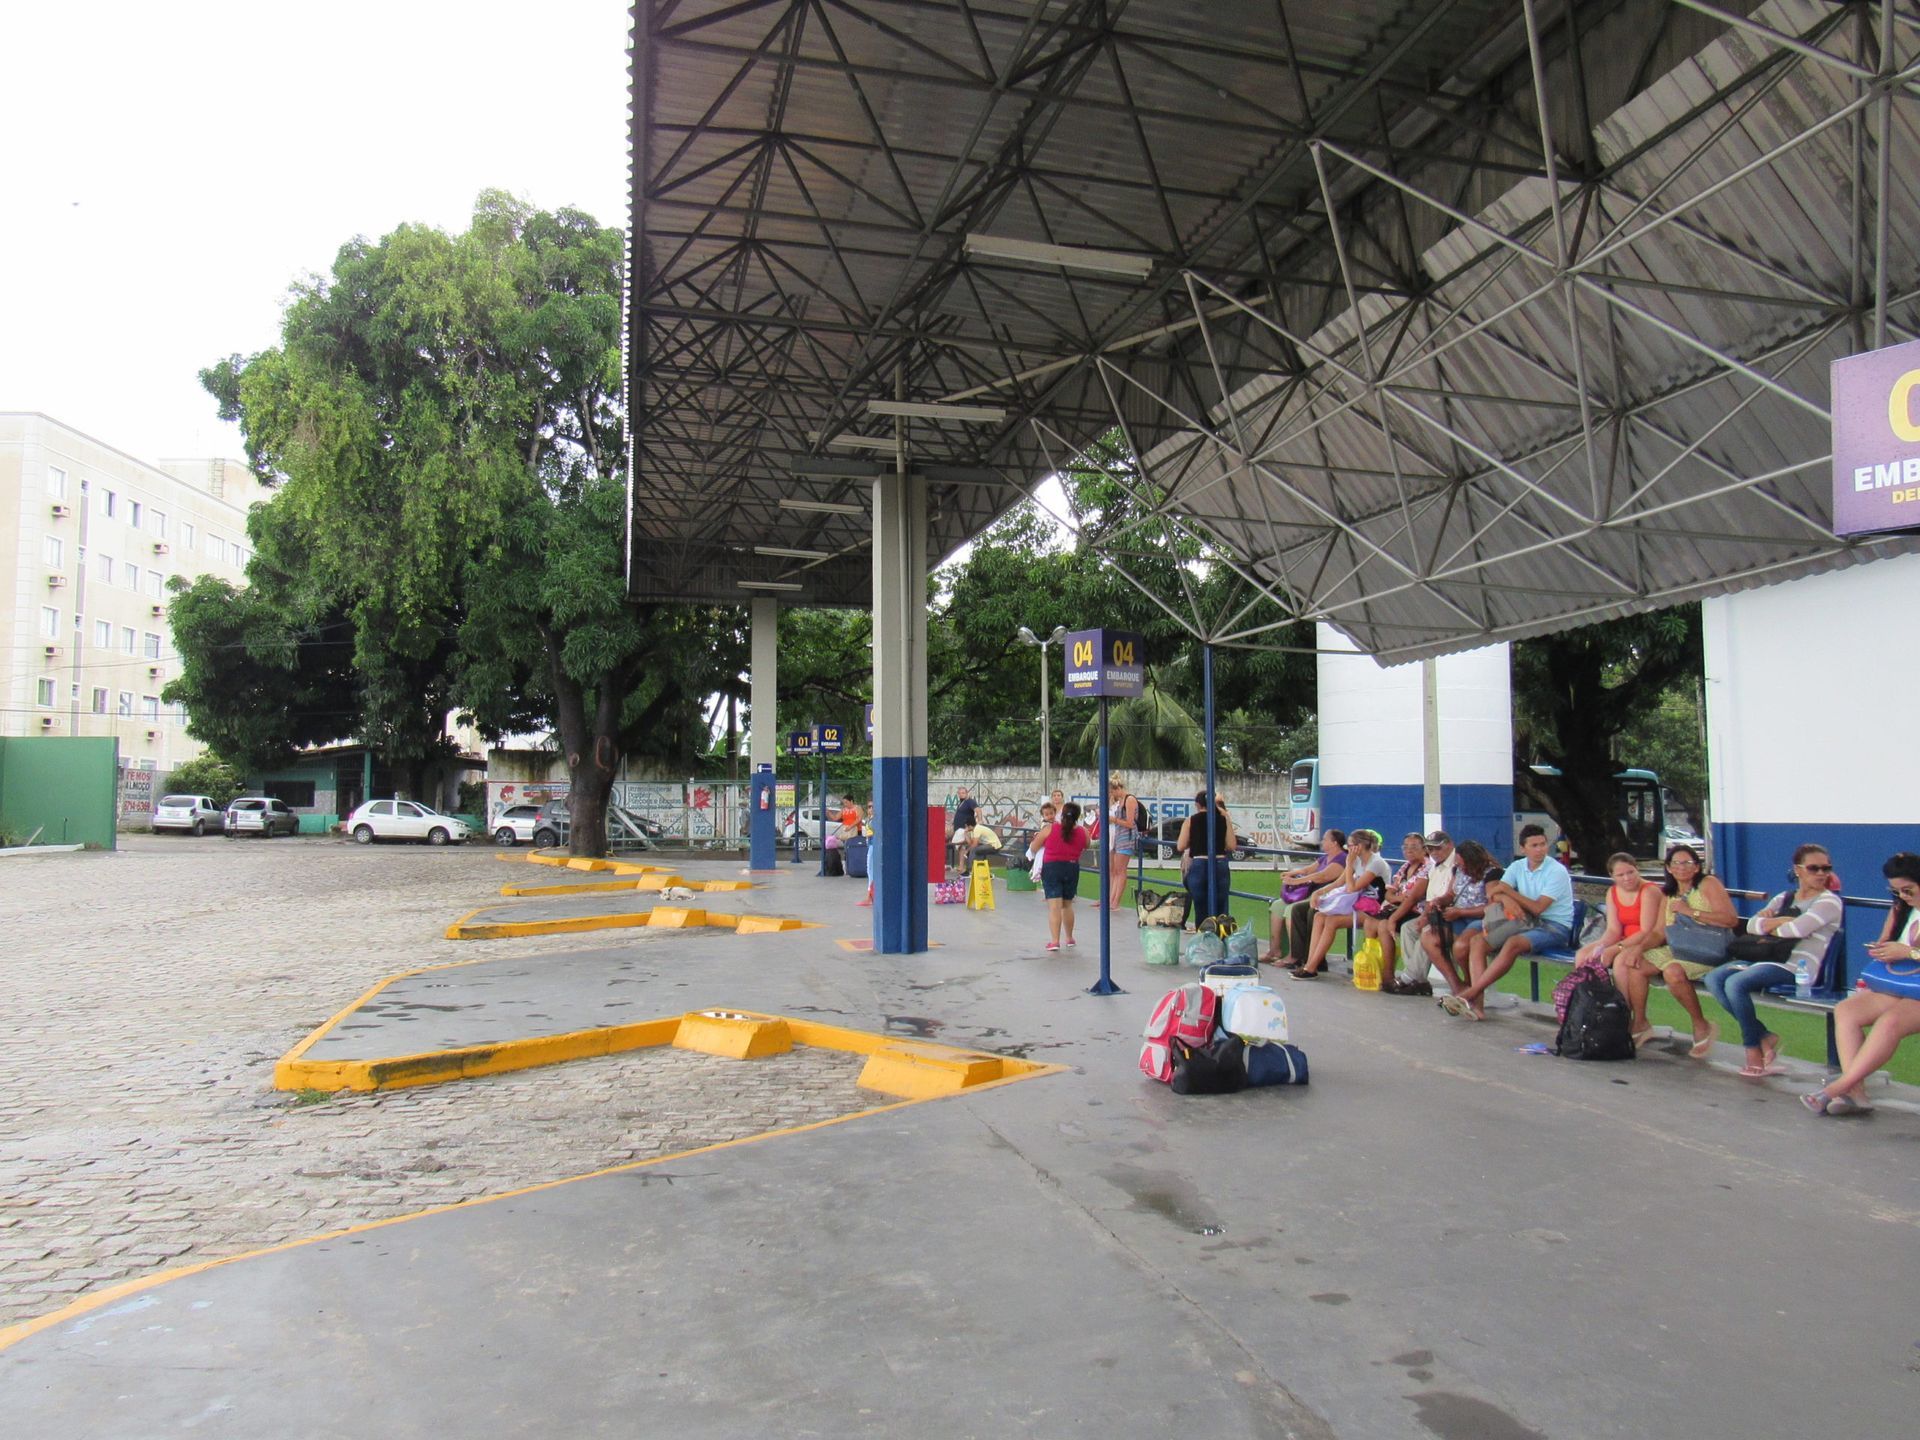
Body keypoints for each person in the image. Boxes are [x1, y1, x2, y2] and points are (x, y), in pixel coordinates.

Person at [1706, 844, 1843, 1076]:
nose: (1821, 873)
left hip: (1798, 966)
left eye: (1826, 868)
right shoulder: (1784, 897)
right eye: (1814, 868)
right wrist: (1779, 923)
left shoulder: (1829, 902)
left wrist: (1772, 924)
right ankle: (1763, 1036)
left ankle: (1753, 1051)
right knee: (1714, 978)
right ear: (1798, 870)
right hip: (1766, 956)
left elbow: (1798, 929)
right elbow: (1750, 925)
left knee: (1735, 983)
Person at [1804, 853, 1920, 1115]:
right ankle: (1856, 1093)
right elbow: (1885, 944)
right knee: (1846, 1010)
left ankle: (1840, 1086)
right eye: (1896, 891)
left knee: (1890, 1021)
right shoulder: (1901, 909)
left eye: (1908, 890)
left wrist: (1909, 952)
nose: (1903, 896)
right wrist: (1882, 950)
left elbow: (1906, 952)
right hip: (1900, 984)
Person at [1610, 843, 1736, 1054]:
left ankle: (1700, 1024)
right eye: (1676, 863)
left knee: (1672, 972)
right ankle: (1640, 1022)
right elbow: (1659, 932)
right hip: (1680, 948)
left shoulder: (1707, 884)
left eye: (1687, 863)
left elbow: (1730, 919)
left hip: (1708, 950)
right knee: (1634, 964)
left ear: (1697, 866)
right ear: (1668, 867)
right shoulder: (1669, 894)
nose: (1682, 868)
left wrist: (1691, 912)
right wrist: (1638, 949)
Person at [1440, 824, 1574, 1019]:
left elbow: (1538, 908)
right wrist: (1506, 899)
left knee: (1513, 944)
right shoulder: (1517, 866)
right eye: (1534, 845)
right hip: (1522, 920)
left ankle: (1470, 993)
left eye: (1543, 844)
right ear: (1523, 849)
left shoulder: (1556, 871)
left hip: (1552, 926)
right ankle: (1477, 1008)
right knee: (1477, 942)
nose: (1540, 850)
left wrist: (1508, 893)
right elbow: (1494, 892)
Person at [1292, 828, 1390, 979]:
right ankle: (1310, 964)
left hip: (1374, 909)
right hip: (1358, 905)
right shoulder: (1356, 860)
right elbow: (1339, 882)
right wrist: (1318, 893)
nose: (1348, 849)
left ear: (1359, 846)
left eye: (1350, 846)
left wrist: (1349, 864)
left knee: (1331, 922)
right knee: (1319, 917)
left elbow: (1352, 888)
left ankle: (1311, 968)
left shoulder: (1375, 863)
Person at [1260, 828, 1346, 964]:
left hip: (1324, 897)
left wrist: (1295, 881)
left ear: (1335, 843)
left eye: (1325, 839)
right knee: (1277, 906)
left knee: (1291, 909)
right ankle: (1275, 950)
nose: (1322, 841)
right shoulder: (1325, 857)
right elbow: (1308, 870)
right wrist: (1291, 873)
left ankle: (1294, 955)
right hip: (1309, 894)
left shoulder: (1342, 859)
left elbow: (1322, 876)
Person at [1421, 839, 1495, 996]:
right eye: (1458, 864)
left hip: (1479, 919)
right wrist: (1440, 901)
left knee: (1460, 948)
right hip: (1456, 917)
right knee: (1428, 938)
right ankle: (1457, 985)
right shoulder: (1458, 871)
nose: (1460, 867)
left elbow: (1492, 906)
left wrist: (1461, 912)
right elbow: (1451, 894)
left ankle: (1472, 985)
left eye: (1462, 864)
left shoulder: (1492, 874)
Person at [1363, 832, 1432, 991]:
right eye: (1405, 847)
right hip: (1398, 906)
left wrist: (1395, 911)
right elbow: (1389, 892)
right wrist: (1398, 898)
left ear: (1424, 849)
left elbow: (1413, 897)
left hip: (1415, 910)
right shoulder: (1405, 866)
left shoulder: (1427, 868)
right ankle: (1374, 968)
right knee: (1369, 923)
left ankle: (1390, 975)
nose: (1408, 850)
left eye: (1413, 847)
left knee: (1384, 925)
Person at [1034, 801, 1096, 951]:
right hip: (1071, 867)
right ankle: (1069, 938)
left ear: (1062, 814)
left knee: (1054, 907)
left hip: (1052, 867)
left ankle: (1055, 941)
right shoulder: (1082, 832)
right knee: (1067, 904)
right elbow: (1087, 845)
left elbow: (1034, 847)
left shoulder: (1050, 829)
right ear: (1078, 816)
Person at [1176, 791, 1235, 923]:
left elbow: (1180, 846)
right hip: (1220, 863)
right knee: (1221, 907)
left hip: (1199, 863)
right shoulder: (1222, 819)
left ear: (1197, 804)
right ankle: (1221, 936)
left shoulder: (1191, 820)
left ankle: (1203, 935)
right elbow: (1231, 845)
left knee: (1201, 908)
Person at [1105, 778, 1149, 912]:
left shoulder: (1129, 800)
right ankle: (1111, 899)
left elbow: (1130, 823)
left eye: (1112, 792)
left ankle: (1116, 900)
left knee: (1121, 870)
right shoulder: (1120, 802)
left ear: (1117, 789)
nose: (1112, 795)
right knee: (1116, 870)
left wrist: (1114, 820)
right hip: (1119, 837)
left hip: (1127, 837)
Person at [1026, 802, 1057, 886]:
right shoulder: (1046, 824)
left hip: (1050, 846)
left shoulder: (1056, 823)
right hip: (1044, 846)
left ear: (1055, 813)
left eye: (1051, 813)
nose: (1050, 816)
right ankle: (1036, 871)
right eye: (1047, 814)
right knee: (1040, 856)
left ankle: (1036, 869)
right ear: (1043, 816)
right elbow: (1045, 835)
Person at [950, 787, 979, 875]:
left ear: (967, 793)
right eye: (960, 793)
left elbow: (978, 810)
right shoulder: (962, 803)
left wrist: (979, 820)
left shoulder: (970, 801)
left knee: (960, 845)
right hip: (959, 828)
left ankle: (962, 866)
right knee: (960, 847)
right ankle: (961, 866)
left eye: (963, 793)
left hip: (964, 828)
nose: (961, 794)